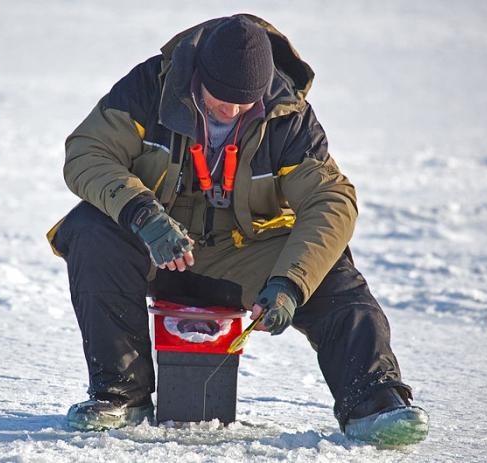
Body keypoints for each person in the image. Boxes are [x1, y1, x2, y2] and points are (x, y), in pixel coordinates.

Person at [48, 14, 429, 446]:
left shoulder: (290, 116)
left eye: (243, 103)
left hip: (246, 255)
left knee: (332, 272)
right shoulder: (148, 88)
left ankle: (374, 402)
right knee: (90, 228)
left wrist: (289, 283)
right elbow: (87, 153)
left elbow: (331, 200)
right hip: (158, 246)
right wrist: (143, 215)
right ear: (197, 76)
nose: (229, 111)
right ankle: (120, 396)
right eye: (219, 99)